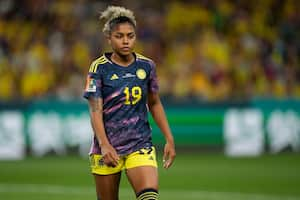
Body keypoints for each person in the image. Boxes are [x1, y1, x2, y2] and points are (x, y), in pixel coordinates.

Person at [83, 6, 176, 200]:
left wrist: (169, 137)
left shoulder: (147, 66)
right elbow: (95, 109)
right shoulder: (98, 68)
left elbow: (155, 103)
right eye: (119, 36)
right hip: (107, 148)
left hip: (139, 144)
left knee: (149, 197)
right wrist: (105, 145)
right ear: (109, 38)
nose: (126, 41)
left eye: (130, 35)